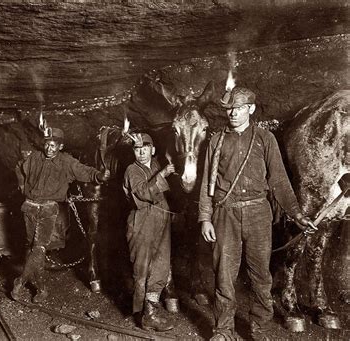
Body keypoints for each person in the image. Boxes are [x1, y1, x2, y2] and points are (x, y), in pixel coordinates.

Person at [198, 87, 317, 341]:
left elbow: (280, 182)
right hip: (225, 214)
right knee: (224, 276)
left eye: (239, 109)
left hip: (257, 213)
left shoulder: (265, 139)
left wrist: (297, 214)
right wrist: (205, 218)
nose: (233, 113)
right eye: (229, 109)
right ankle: (223, 331)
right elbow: (206, 183)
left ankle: (260, 329)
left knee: (260, 276)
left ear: (250, 109)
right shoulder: (216, 141)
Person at [11, 127, 110, 303]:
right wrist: (22, 185)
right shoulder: (34, 157)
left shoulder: (67, 162)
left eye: (54, 145)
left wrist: (99, 176)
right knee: (32, 248)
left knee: (39, 247)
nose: (49, 148)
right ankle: (41, 289)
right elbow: (19, 166)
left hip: (49, 209)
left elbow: (85, 171)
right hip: (29, 207)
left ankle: (20, 282)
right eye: (47, 144)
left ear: (60, 146)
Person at [122, 132, 176, 332]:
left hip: (161, 220)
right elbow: (144, 192)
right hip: (142, 221)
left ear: (153, 150)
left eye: (145, 148)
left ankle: (150, 310)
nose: (142, 152)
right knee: (142, 269)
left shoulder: (154, 164)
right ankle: (141, 314)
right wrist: (163, 174)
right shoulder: (131, 170)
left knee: (161, 265)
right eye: (137, 149)